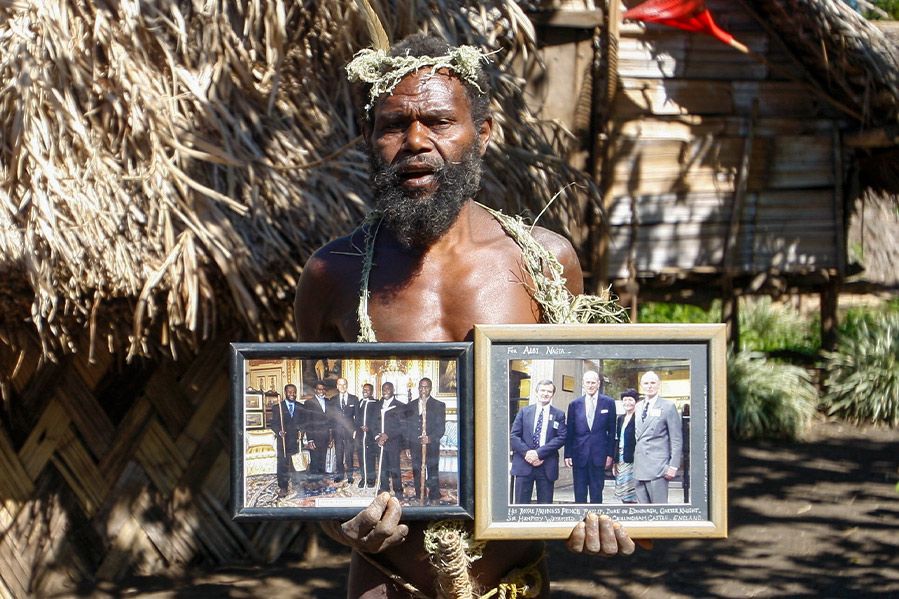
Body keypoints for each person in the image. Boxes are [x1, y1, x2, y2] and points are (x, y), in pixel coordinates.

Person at [294, 33, 634, 598]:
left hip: (515, 584)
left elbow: (580, 427)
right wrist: (342, 521)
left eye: (438, 121)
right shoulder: (332, 275)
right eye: (393, 125)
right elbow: (314, 453)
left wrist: (599, 509)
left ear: (484, 132)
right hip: (387, 584)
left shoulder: (546, 264)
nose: (416, 141)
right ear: (369, 138)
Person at [510, 380, 567, 504]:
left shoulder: (559, 414)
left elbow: (562, 437)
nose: (545, 393)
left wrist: (539, 453)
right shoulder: (524, 412)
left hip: (546, 465)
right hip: (524, 464)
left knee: (545, 508)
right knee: (521, 506)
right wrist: (528, 454)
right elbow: (514, 436)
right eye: (542, 390)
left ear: (552, 394)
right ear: (536, 392)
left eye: (549, 391)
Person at [564, 370, 617, 504]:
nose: (590, 385)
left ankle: (596, 523)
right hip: (579, 455)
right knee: (579, 494)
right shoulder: (574, 404)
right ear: (583, 384)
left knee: (596, 495)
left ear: (598, 384)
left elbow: (612, 431)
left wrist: (610, 455)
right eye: (588, 382)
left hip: (599, 456)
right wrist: (567, 454)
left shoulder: (609, 403)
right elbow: (570, 431)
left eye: (593, 382)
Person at [634, 371, 683, 504]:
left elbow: (676, 439)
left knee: (659, 512)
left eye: (653, 383)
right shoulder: (638, 407)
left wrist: (673, 466)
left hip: (658, 468)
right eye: (646, 383)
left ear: (658, 385)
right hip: (639, 467)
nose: (649, 386)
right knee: (642, 514)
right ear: (641, 386)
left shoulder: (668, 406)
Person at [406, 377, 446, 505]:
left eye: (426, 387)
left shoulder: (439, 405)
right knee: (417, 470)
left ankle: (434, 495)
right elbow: (406, 428)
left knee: (432, 469)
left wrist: (430, 438)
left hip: (432, 445)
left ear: (430, 388)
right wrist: (407, 446)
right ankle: (419, 495)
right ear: (418, 388)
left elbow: (441, 428)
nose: (424, 389)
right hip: (415, 444)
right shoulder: (410, 405)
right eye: (421, 387)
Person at [269, 384, 307, 498]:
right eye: (290, 392)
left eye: (294, 392)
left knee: (296, 463)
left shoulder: (301, 406)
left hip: (295, 440)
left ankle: (296, 484)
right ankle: (283, 487)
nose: (292, 394)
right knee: (282, 464)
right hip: (283, 441)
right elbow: (273, 424)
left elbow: (304, 422)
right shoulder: (277, 407)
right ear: (285, 393)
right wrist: (279, 432)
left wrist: (302, 431)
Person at [375, 382, 407, 497]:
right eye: (383, 389)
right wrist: (378, 437)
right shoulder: (377, 405)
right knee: (382, 466)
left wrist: (388, 435)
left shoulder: (400, 406)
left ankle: (398, 490)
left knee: (394, 467)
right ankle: (384, 488)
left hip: (393, 442)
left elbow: (402, 427)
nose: (385, 391)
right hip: (380, 442)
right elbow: (373, 424)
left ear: (393, 390)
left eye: (388, 389)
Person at [304, 381, 337, 478]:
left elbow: (332, 421)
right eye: (319, 389)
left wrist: (331, 437)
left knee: (323, 458)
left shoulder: (328, 402)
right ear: (315, 390)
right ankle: (314, 482)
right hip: (314, 436)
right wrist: (310, 440)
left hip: (326, 436)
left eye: (323, 389)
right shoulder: (309, 403)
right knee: (315, 460)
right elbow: (308, 422)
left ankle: (322, 479)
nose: (321, 391)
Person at [613, 388, 639, 504]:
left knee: (632, 490)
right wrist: (615, 461)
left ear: (636, 401)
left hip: (633, 458)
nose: (627, 402)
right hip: (621, 458)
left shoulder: (638, 418)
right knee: (623, 489)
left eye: (630, 399)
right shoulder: (620, 418)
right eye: (625, 400)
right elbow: (617, 439)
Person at [333, 377, 360, 483]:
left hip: (350, 431)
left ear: (347, 385)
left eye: (344, 384)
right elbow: (331, 417)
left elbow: (357, 417)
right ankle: (340, 475)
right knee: (339, 454)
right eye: (340, 384)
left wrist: (355, 431)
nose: (342, 386)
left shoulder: (354, 399)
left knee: (349, 454)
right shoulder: (333, 399)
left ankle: (350, 476)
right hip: (337, 431)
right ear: (337, 386)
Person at [355, 383, 380, 488]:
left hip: (370, 436)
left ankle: (371, 479)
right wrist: (359, 427)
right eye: (364, 389)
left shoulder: (376, 403)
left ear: (372, 391)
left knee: (370, 458)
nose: (365, 391)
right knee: (361, 457)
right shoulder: (360, 402)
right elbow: (357, 417)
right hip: (361, 436)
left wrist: (369, 427)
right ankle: (363, 477)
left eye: (368, 390)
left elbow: (378, 419)